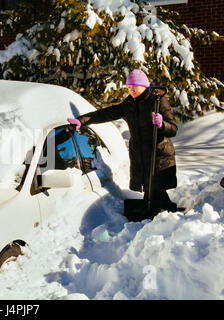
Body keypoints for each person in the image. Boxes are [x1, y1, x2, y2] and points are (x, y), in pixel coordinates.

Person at [67, 69, 178, 215]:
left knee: (155, 187)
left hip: (157, 153)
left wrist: (162, 124)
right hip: (140, 154)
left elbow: (173, 129)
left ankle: (162, 213)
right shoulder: (129, 104)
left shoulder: (157, 100)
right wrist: (82, 120)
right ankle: (164, 210)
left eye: (134, 87)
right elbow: (105, 113)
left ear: (144, 85)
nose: (131, 90)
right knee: (150, 187)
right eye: (129, 88)